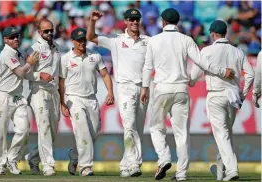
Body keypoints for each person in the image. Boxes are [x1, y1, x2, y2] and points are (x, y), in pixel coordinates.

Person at [140, 9, 236, 181]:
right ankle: (181, 174)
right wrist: (222, 71)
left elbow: (148, 67)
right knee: (182, 133)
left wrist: (145, 88)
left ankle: (164, 158)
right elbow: (202, 62)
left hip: (162, 88)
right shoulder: (186, 40)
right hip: (181, 90)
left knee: (155, 127)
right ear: (177, 22)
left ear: (162, 22)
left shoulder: (154, 41)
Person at [86, 9, 150, 177]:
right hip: (125, 87)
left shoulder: (148, 41)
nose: (135, 22)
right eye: (131, 19)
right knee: (129, 126)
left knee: (138, 128)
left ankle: (125, 165)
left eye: (137, 19)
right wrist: (92, 21)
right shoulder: (116, 39)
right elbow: (91, 38)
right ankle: (134, 164)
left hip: (143, 88)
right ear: (126, 21)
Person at [189, 20, 254, 181]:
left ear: (212, 33)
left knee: (222, 135)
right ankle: (220, 170)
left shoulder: (206, 51)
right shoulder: (237, 52)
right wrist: (242, 95)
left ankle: (232, 170)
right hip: (233, 96)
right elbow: (250, 74)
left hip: (216, 94)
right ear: (226, 33)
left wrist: (190, 81)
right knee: (226, 135)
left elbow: (194, 75)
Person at [59, 28, 114, 176]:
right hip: (74, 99)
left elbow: (105, 74)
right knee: (83, 132)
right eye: (79, 40)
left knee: (94, 132)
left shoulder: (94, 55)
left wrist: (110, 92)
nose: (82, 42)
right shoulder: (66, 58)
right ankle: (86, 168)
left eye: (84, 39)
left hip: (91, 99)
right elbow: (61, 82)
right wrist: (62, 103)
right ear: (73, 41)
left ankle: (75, 155)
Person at [0, 27, 39, 175]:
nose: (16, 39)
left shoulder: (18, 53)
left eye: (17, 36)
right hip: (4, 96)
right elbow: (20, 71)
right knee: (0, 132)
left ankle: (12, 159)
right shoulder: (6, 53)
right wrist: (30, 62)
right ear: (5, 40)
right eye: (12, 37)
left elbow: (24, 74)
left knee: (24, 129)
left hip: (18, 96)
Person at [25, 19, 61, 176]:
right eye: (46, 31)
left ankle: (33, 158)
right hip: (38, 92)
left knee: (52, 132)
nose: (49, 33)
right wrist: (40, 74)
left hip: (54, 92)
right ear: (39, 32)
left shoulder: (57, 47)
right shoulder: (34, 48)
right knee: (44, 127)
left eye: (51, 30)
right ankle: (48, 165)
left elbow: (59, 73)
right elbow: (25, 73)